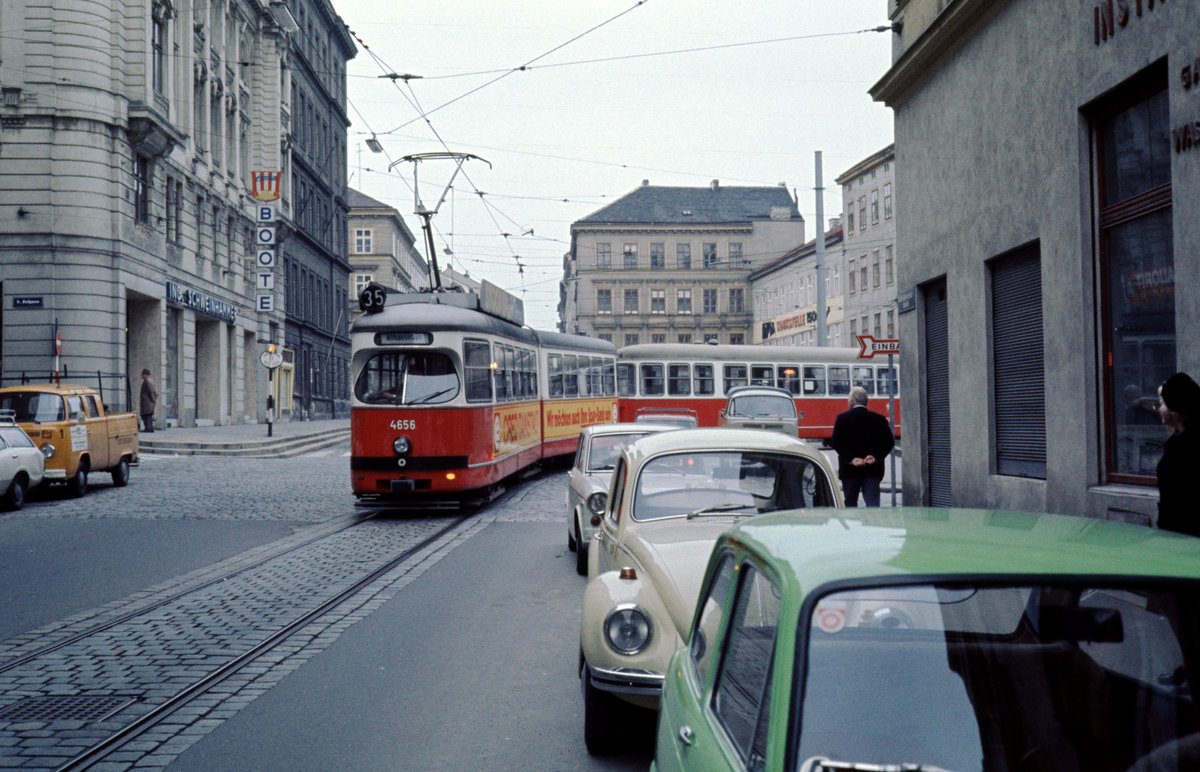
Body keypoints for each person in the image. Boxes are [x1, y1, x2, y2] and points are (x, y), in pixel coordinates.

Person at [830, 386, 895, 507]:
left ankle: (854, 525)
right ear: (866, 402)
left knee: (850, 505)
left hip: (850, 471)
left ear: (851, 402)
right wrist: (875, 457)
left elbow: (836, 443)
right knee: (873, 505)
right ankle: (872, 525)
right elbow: (889, 442)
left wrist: (852, 459)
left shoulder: (842, 419)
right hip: (872, 470)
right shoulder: (879, 419)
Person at [1156, 371, 1200, 537]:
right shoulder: (1177, 441)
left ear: (1176, 411)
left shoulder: (1187, 446)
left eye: (1162, 404)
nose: (1160, 409)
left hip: (1185, 533)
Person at [139, 368, 158, 433]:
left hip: (147, 403)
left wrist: (153, 400)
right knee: (148, 416)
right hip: (149, 403)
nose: (141, 375)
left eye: (142, 374)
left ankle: (148, 428)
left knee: (146, 416)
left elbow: (150, 392)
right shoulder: (151, 381)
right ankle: (149, 428)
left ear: (145, 374)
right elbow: (154, 391)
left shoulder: (147, 381)